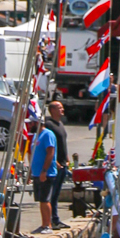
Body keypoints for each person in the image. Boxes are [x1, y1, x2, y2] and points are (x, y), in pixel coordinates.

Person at [45, 98, 70, 230]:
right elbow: (49, 146)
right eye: (59, 108)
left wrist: (67, 158)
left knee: (57, 194)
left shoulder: (60, 124)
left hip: (63, 164)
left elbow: (62, 143)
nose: (62, 110)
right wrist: (55, 162)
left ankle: (56, 219)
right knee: (51, 194)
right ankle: (52, 220)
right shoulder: (49, 125)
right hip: (55, 166)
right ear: (53, 110)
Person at [29, 114, 57, 231]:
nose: (29, 125)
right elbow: (33, 154)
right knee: (41, 200)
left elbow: (50, 152)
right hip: (36, 173)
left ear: (37, 123)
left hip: (46, 173)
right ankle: (43, 224)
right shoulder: (36, 136)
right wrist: (30, 172)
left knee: (45, 199)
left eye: (31, 123)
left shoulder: (47, 135)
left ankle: (48, 225)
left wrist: (44, 171)